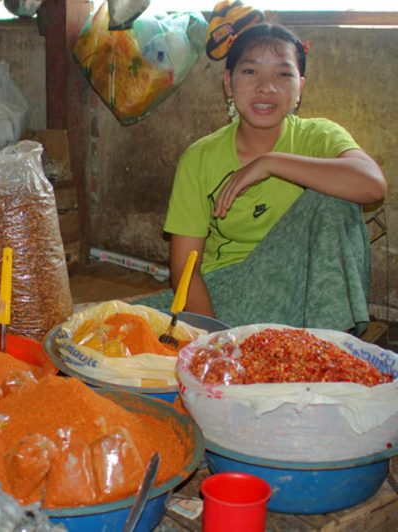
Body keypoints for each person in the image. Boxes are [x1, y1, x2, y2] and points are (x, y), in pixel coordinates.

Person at [149, 23, 387, 334]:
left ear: (300, 86)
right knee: (116, 329)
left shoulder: (319, 136)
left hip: (309, 296)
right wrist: (219, 342)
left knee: (334, 200)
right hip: (231, 298)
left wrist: (272, 163)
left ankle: (323, 351)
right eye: (250, 72)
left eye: (283, 74)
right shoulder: (200, 158)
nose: (266, 87)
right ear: (228, 83)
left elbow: (372, 185)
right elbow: (185, 270)